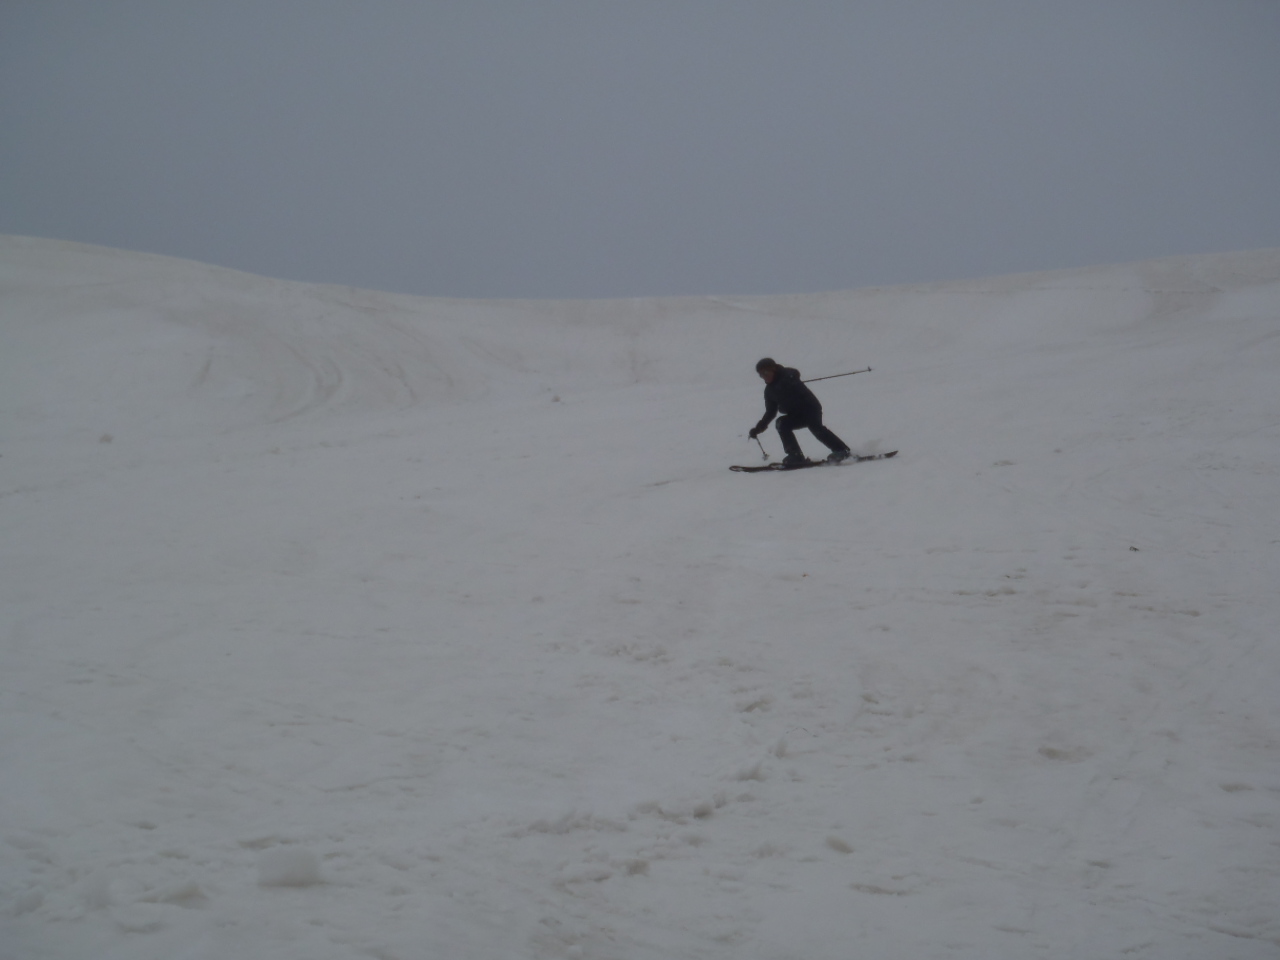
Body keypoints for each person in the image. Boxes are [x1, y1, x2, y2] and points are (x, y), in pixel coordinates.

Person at [748, 358, 852, 465]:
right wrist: (759, 428)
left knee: (816, 428)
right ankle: (795, 455)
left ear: (773, 369)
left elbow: (793, 373)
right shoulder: (769, 391)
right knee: (782, 423)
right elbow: (770, 412)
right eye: (761, 374)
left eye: (766, 372)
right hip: (795, 415)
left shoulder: (787, 376)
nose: (764, 376)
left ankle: (841, 450)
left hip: (810, 409)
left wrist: (788, 381)